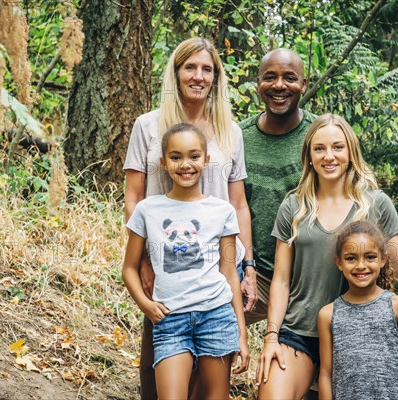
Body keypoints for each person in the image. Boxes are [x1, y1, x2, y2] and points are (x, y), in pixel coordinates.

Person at [256, 114, 398, 399]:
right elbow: (280, 280)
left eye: (337, 147)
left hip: (358, 334)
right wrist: (271, 337)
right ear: (309, 155)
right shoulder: (294, 206)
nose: (329, 156)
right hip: (300, 332)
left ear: (351, 152)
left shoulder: (376, 204)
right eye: (320, 149)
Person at [123, 37, 255, 399]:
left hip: (220, 260)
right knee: (161, 358)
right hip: (166, 264)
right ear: (176, 72)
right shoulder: (147, 126)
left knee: (212, 370)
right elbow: (133, 198)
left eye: (207, 69)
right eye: (190, 67)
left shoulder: (231, 132)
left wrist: (249, 264)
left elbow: (238, 203)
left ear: (216, 76)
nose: (198, 76)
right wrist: (147, 258)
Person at [241, 48, 316, 324]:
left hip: (306, 280)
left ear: (304, 84)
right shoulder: (239, 138)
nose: (279, 85)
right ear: (258, 83)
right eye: (270, 77)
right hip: (253, 275)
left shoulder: (319, 136)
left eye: (290, 77)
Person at [318, 220, 398, 400]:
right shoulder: (328, 315)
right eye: (351, 258)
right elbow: (326, 374)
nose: (361, 265)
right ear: (339, 262)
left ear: (383, 259)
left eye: (370, 257)